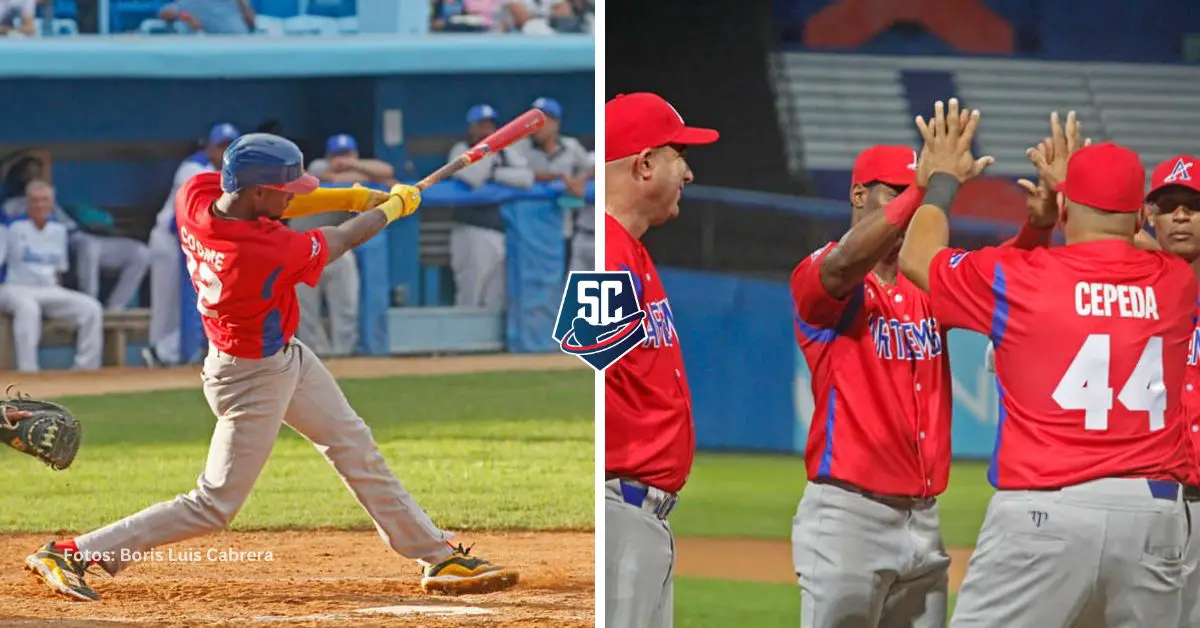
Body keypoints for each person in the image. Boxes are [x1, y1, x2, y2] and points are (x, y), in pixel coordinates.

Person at [23, 134, 519, 602]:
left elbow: (288, 204)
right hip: (251, 377)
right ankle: (73, 553)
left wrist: (352, 195)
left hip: (282, 357)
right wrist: (392, 209)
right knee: (214, 503)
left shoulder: (195, 195)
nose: (291, 200)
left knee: (354, 445)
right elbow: (340, 242)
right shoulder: (262, 251)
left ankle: (436, 556)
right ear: (258, 192)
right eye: (284, 192)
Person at [899, 101, 1195, 628]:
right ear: (1139, 216)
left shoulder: (1021, 277)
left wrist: (941, 179)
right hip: (1153, 518)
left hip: (1046, 512)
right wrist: (1081, 195)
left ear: (1063, 211)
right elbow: (1135, 240)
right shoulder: (1173, 283)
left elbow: (917, 257)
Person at [604, 92, 718, 628]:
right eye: (680, 156)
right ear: (644, 164)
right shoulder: (608, 252)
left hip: (641, 515)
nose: (689, 174)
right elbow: (588, 377)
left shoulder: (629, 248)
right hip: (618, 512)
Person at [1134, 153, 1200, 628]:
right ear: (1149, 216)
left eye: (1192, 206)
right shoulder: (1123, 288)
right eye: (1169, 205)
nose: (1180, 216)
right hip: (1143, 495)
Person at [288, 133, 395, 357]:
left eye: (346, 154)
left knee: (346, 308)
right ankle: (313, 359)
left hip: (335, 247)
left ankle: (344, 357)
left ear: (355, 155)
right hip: (302, 247)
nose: (341, 160)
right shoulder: (316, 167)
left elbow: (386, 171)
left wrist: (353, 165)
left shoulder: (359, 168)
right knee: (306, 314)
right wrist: (369, 179)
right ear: (328, 156)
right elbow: (336, 180)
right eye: (337, 155)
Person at [145, 122, 241, 368]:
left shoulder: (237, 171)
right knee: (168, 304)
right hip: (169, 239)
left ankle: (166, 352)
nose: (226, 152)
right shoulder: (192, 169)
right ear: (209, 148)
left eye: (231, 146)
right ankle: (159, 354)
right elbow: (189, 215)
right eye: (221, 146)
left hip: (195, 239)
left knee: (194, 302)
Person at [0, 181, 103, 373]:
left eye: (44, 200)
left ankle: (86, 369)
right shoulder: (10, 227)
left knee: (91, 308)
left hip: (48, 288)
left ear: (51, 203)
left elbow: (59, 271)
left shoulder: (58, 230)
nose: (40, 205)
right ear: (28, 203)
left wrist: (57, 297)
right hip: (14, 288)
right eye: (35, 201)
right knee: (28, 308)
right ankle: (28, 371)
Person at [448, 104, 534, 308]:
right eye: (482, 125)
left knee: (497, 296)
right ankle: (463, 338)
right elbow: (475, 178)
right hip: (471, 229)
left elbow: (527, 178)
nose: (487, 130)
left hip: (501, 230)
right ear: (472, 127)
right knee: (470, 292)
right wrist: (488, 152)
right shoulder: (460, 150)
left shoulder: (505, 151)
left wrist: (496, 174)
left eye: (490, 124)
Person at [517, 97, 595, 273]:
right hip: (528, 232)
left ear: (556, 123)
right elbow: (515, 176)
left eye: (542, 121)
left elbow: (596, 167)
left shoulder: (571, 146)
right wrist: (558, 177)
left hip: (562, 229)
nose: (536, 126)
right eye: (533, 121)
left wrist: (579, 179)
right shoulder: (520, 147)